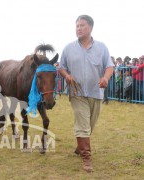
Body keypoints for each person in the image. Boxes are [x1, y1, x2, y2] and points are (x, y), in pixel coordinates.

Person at [59, 15, 114, 172]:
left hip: (96, 92)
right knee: (82, 125)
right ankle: (86, 158)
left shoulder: (102, 47)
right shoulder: (68, 48)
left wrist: (105, 78)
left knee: (89, 126)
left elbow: (109, 66)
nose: (78, 28)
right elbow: (61, 67)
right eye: (76, 26)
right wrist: (67, 76)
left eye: (82, 25)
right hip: (77, 93)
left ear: (90, 27)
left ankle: (80, 146)